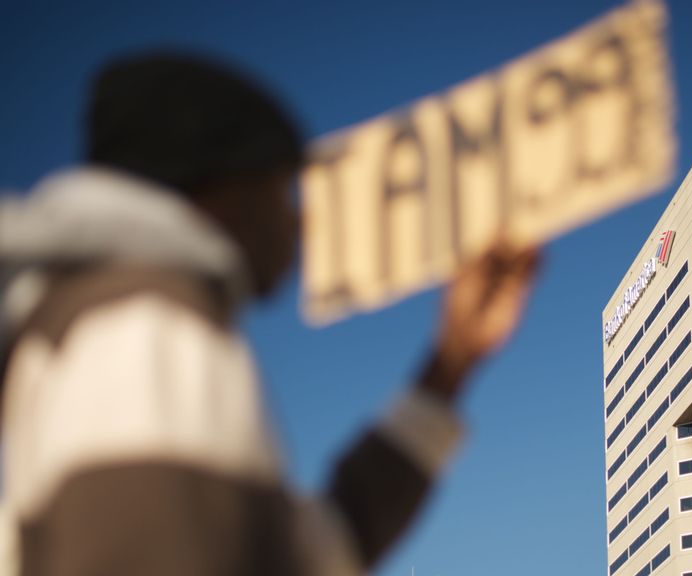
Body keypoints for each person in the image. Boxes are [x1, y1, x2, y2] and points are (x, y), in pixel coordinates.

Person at [0, 53, 539, 575]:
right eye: (282, 188)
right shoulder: (144, 321)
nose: (299, 221)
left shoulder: (117, 319)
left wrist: (450, 363)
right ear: (220, 188)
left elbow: (314, 549)